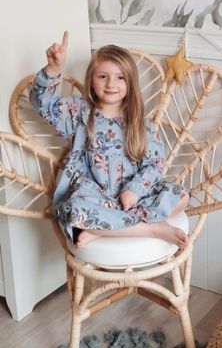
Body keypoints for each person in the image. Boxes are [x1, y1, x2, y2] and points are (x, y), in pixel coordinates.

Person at [30, 31, 189, 250]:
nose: (111, 83)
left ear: (130, 82)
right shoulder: (78, 113)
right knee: (73, 210)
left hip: (133, 199)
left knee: (181, 196)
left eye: (120, 77)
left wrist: (134, 191)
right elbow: (44, 104)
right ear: (91, 80)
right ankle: (152, 228)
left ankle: (100, 230)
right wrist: (54, 69)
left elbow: (155, 164)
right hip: (94, 195)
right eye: (102, 76)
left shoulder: (141, 124)